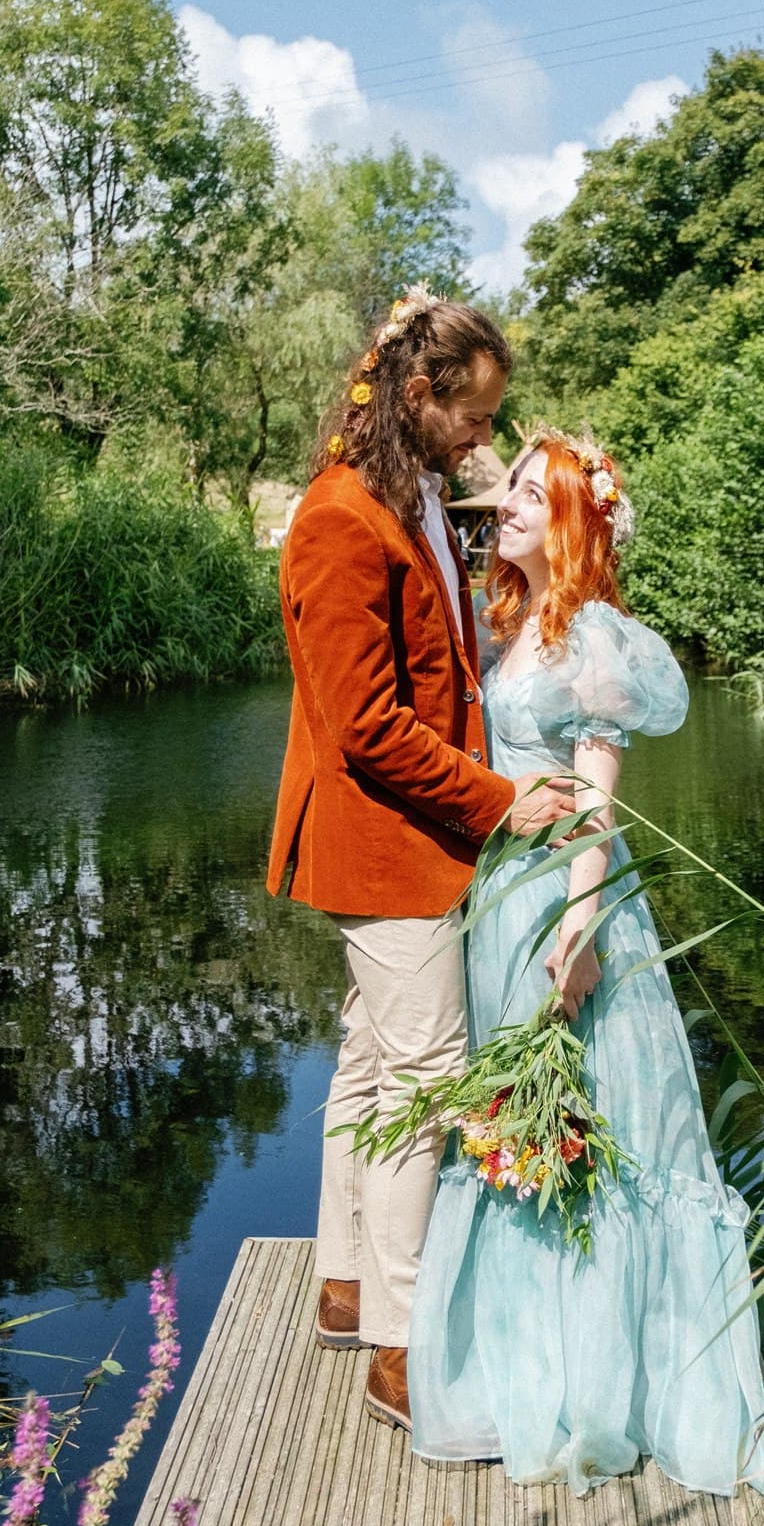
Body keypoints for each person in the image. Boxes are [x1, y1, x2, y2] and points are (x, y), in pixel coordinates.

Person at [408, 425, 764, 1500]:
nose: (511, 500)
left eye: (533, 490)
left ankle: (613, 1380)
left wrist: (576, 936)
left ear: (575, 518)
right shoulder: (511, 626)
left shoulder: (596, 640)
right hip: (501, 899)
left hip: (566, 906)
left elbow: (596, 807)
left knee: (599, 1126)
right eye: (511, 484)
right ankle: (532, 1355)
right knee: (523, 1124)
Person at [267, 291, 575, 1433]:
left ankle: (345, 1285)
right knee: (427, 1086)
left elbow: (441, 658)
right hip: (385, 846)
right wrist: (502, 804)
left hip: (403, 837)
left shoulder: (411, 501)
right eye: (473, 416)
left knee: (366, 1064)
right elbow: (369, 727)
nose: (483, 438)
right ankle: (402, 1348)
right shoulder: (340, 517)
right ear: (417, 397)